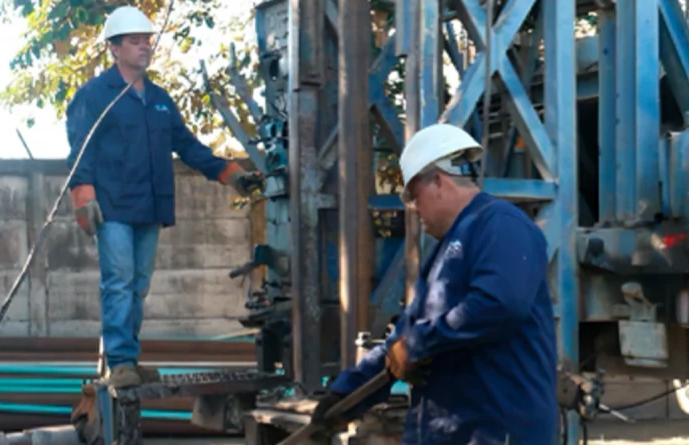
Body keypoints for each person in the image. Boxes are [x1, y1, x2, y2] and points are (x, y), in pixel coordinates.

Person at [311, 124, 558, 444]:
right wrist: (343, 398)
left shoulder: (501, 225)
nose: (412, 209)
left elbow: (500, 304)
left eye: (414, 196)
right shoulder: (442, 254)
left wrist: (418, 344)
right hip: (446, 430)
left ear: (438, 182)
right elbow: (400, 344)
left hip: (495, 430)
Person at [65, 5, 260, 389]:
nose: (144, 47)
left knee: (138, 285)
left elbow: (187, 146)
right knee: (118, 281)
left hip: (150, 206)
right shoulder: (94, 95)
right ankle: (120, 361)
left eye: (146, 41)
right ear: (114, 48)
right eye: (135, 41)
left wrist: (229, 173)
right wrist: (82, 195)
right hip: (115, 206)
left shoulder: (158, 99)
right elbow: (80, 150)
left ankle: (126, 361)